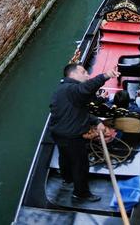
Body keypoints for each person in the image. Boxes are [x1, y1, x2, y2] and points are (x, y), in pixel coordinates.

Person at [49, 62, 118, 202]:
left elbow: (77, 112)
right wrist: (106, 75)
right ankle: (81, 193)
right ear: (73, 74)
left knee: (64, 157)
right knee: (80, 164)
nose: (87, 75)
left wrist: (97, 121)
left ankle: (67, 179)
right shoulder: (73, 89)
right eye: (84, 72)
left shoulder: (61, 89)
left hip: (58, 134)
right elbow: (85, 89)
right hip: (72, 136)